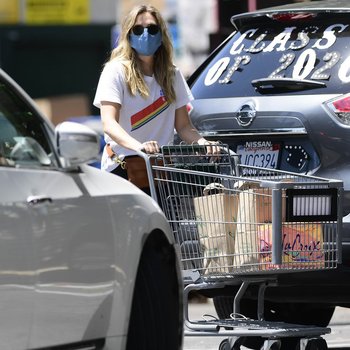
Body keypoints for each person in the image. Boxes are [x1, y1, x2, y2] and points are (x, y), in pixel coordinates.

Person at [93, 4, 217, 191]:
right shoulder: (116, 71)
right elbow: (109, 124)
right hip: (124, 167)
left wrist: (202, 142)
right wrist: (140, 147)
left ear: (161, 36)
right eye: (138, 29)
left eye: (152, 29)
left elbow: (183, 126)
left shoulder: (172, 75)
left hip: (159, 168)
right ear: (128, 35)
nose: (145, 34)